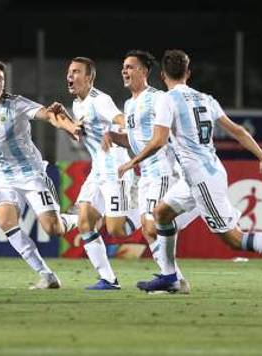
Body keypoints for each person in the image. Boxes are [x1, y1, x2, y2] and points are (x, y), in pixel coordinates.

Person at [118, 49, 262, 292]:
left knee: (234, 239)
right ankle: (169, 277)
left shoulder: (167, 99)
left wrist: (132, 162)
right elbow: (237, 130)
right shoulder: (206, 98)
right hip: (200, 174)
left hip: (201, 179)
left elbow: (158, 141)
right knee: (161, 214)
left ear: (163, 75)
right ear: (188, 73)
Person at [0, 60, 80, 289]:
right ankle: (47, 276)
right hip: (2, 179)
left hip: (31, 174)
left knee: (53, 229)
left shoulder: (16, 104)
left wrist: (69, 126)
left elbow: (47, 114)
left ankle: (76, 217)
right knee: (6, 222)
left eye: (0, 79)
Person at [105, 49, 198, 293]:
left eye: (131, 67)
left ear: (144, 72)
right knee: (149, 231)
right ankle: (176, 280)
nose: (125, 70)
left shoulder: (157, 98)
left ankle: (174, 280)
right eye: (124, 67)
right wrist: (114, 136)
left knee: (151, 226)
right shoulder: (129, 103)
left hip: (163, 170)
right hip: (145, 175)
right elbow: (136, 140)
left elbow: (164, 134)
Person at [51, 57, 141, 290]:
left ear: (89, 78)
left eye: (77, 72)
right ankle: (108, 279)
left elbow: (120, 119)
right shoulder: (78, 104)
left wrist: (124, 129)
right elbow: (81, 133)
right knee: (85, 222)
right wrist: (66, 119)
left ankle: (143, 207)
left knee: (116, 229)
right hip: (98, 171)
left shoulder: (100, 100)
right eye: (69, 71)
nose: (70, 76)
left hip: (115, 172)